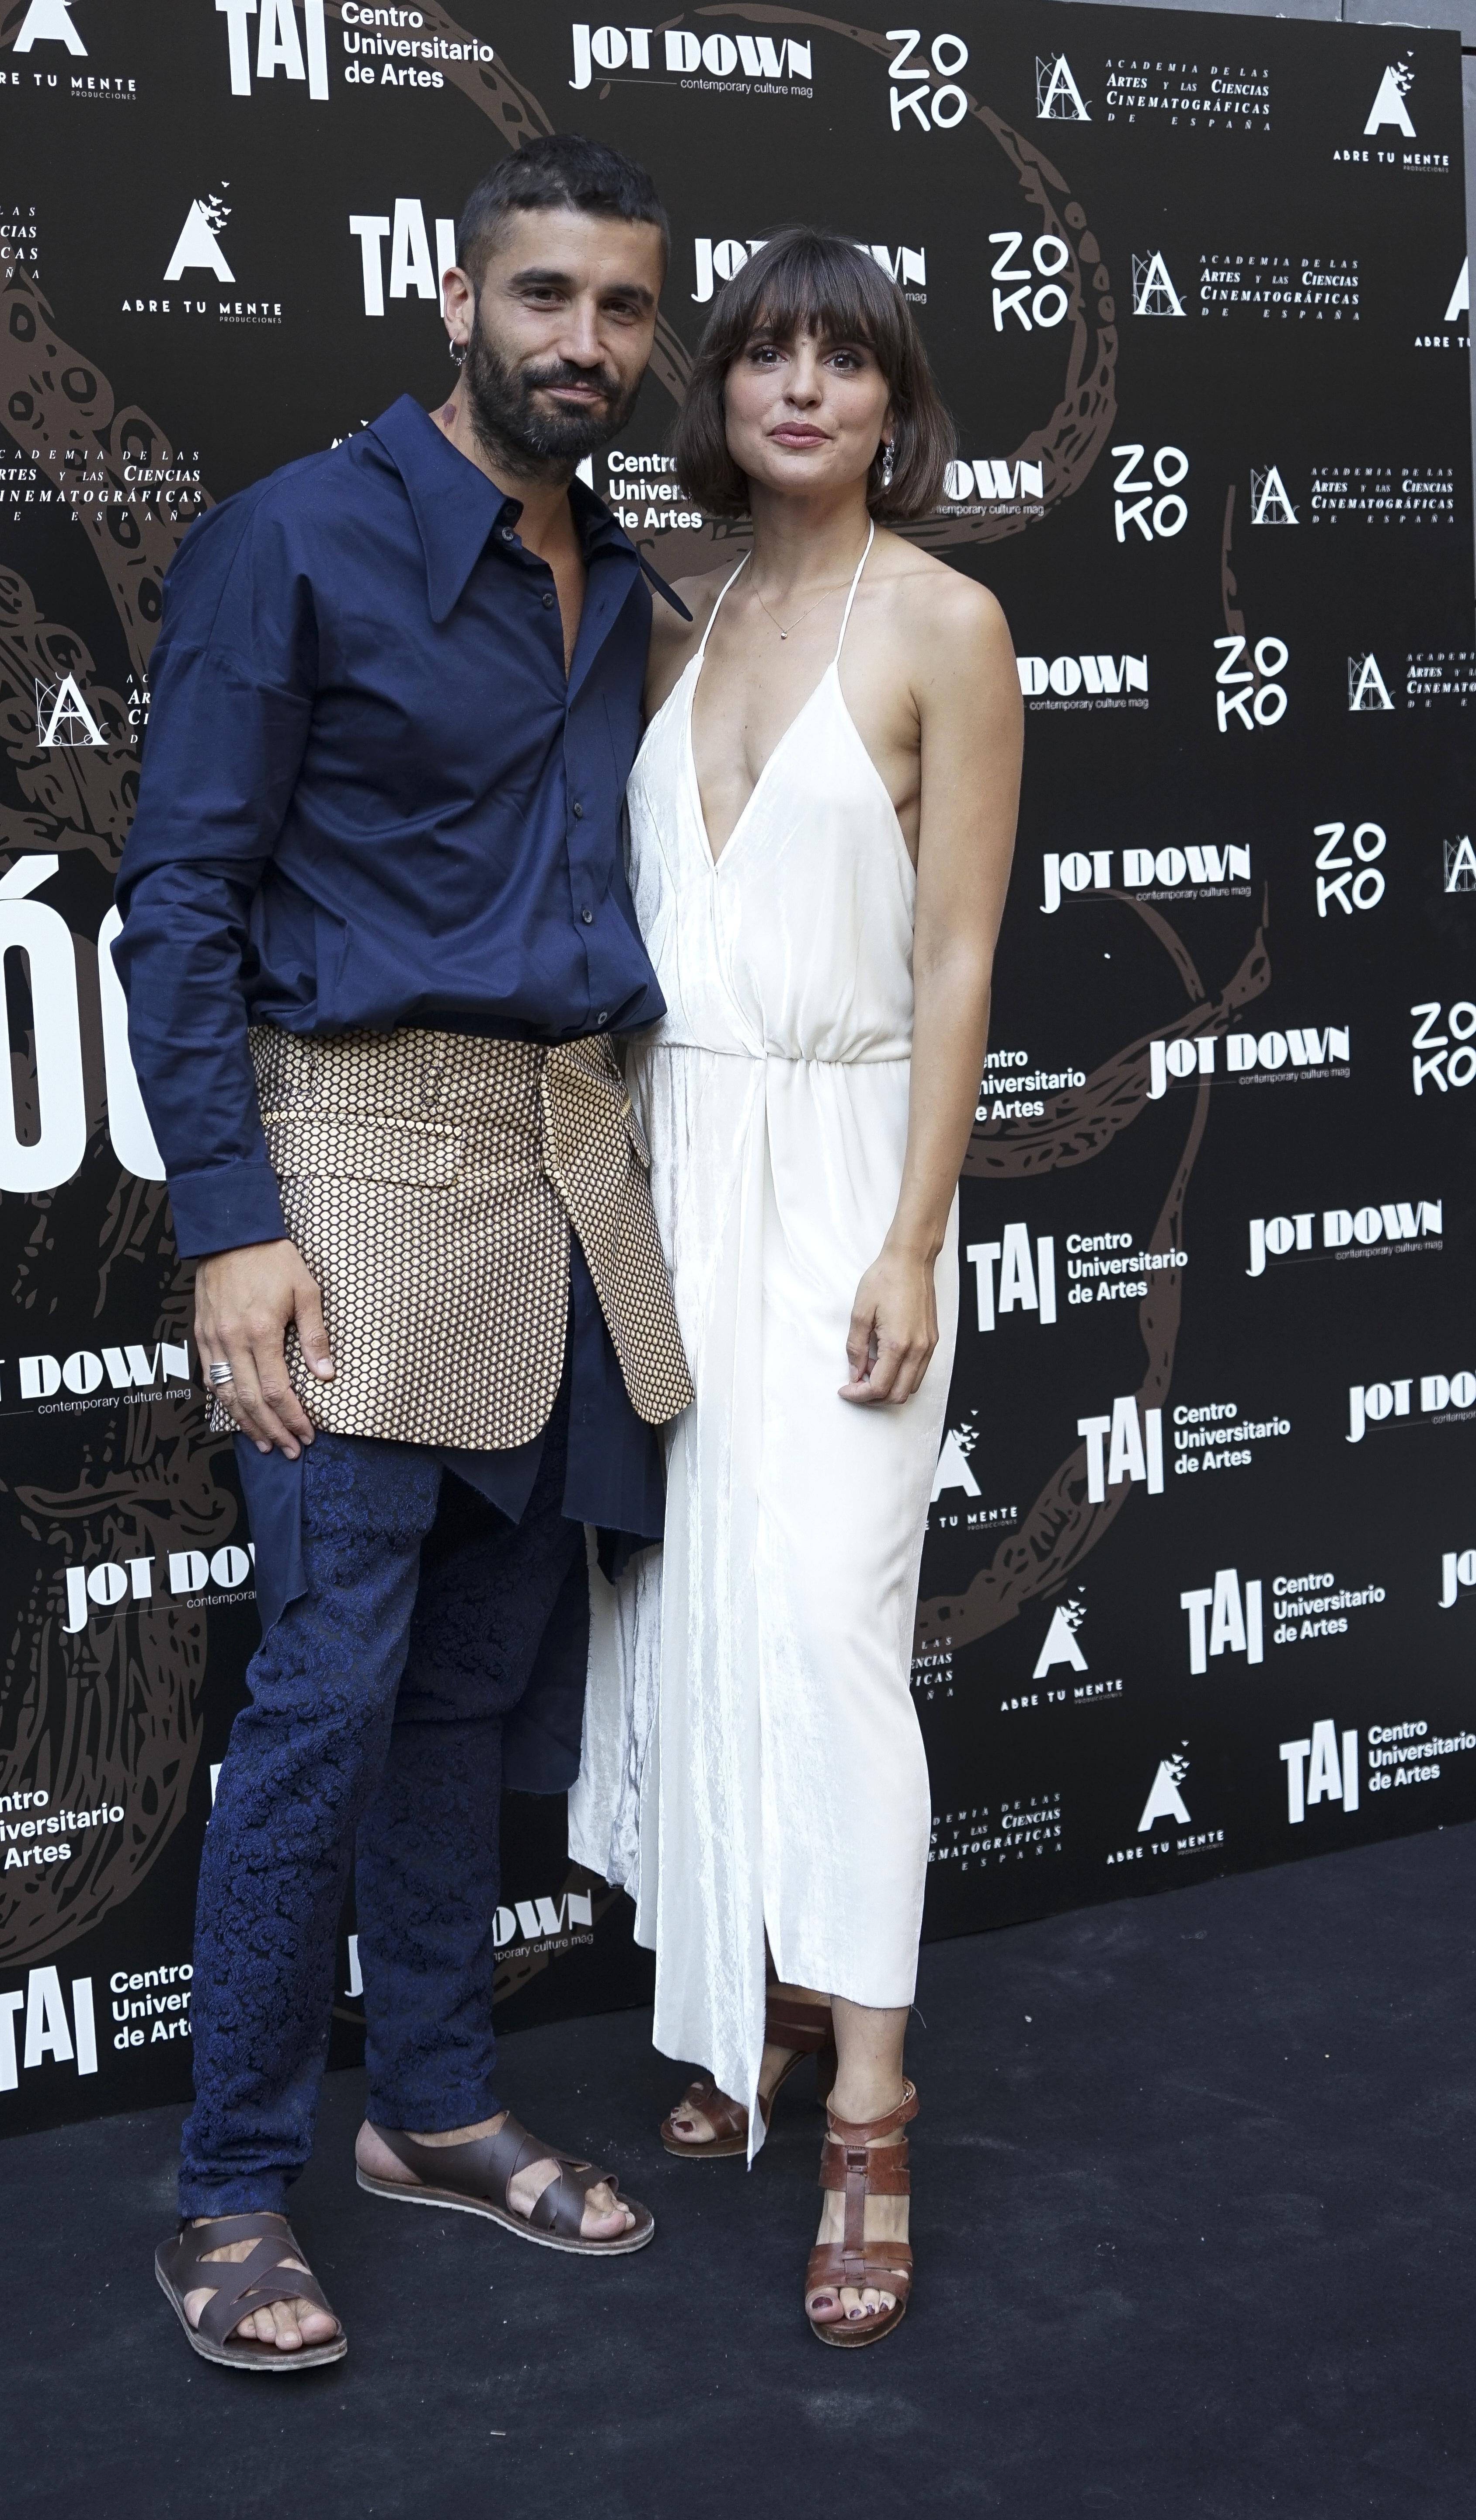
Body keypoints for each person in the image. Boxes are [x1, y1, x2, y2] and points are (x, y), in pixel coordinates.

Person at [113, 134, 695, 2371]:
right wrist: (230, 1226)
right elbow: (180, 899)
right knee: (326, 1699)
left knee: (462, 1694)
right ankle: (230, 2190)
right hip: (347, 1165)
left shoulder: (619, 576)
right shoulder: (296, 539)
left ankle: (434, 2104)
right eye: (544, 297)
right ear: (457, 302)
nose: (583, 342)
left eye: (622, 308)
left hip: (563, 1173)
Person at [570, 228, 1022, 2348]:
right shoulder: (668, 618)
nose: (805, 387)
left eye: (847, 357)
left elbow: (957, 955)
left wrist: (912, 1234)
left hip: (846, 1171)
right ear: (723, 392)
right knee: (693, 1607)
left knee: (832, 1629)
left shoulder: (945, 622)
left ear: (894, 402)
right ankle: (744, 1989)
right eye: (768, 353)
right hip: (674, 1166)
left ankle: (867, 2109)